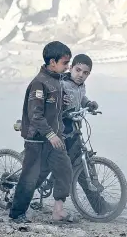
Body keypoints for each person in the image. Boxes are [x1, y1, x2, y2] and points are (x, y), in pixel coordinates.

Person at [36, 54, 116, 215]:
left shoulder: (80, 86)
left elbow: (80, 98)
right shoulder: (61, 83)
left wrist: (88, 104)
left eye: (85, 73)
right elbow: (51, 99)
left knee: (78, 164)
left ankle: (99, 206)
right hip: (58, 128)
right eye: (78, 70)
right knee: (46, 163)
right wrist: (60, 102)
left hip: (73, 128)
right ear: (71, 68)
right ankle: (25, 191)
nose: (81, 75)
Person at [9, 41, 74, 224]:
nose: (68, 67)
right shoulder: (39, 84)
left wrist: (65, 103)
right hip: (37, 140)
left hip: (54, 138)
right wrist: (50, 135)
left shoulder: (57, 81)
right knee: (30, 177)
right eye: (65, 63)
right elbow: (35, 116)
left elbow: (54, 108)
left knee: (64, 169)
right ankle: (16, 213)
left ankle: (58, 210)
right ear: (52, 62)